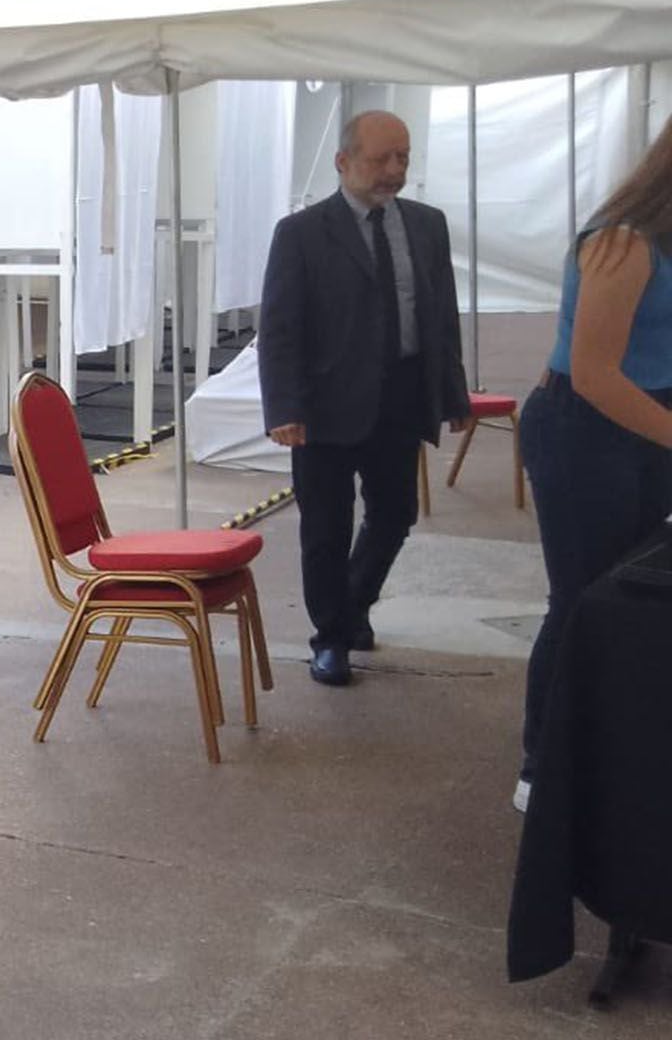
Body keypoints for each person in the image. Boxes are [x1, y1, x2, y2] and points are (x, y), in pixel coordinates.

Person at [258, 109, 471, 688]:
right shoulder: (300, 233)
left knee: (396, 513)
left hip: (401, 395)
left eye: (402, 157)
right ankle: (331, 639)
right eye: (381, 159)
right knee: (326, 527)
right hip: (325, 404)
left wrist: (452, 391)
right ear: (343, 161)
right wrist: (284, 409)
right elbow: (279, 329)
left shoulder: (427, 226)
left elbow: (440, 317)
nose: (394, 170)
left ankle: (352, 607)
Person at [514, 122, 672, 813]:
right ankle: (541, 764)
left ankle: (615, 749)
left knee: (638, 597)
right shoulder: (621, 240)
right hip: (584, 431)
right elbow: (593, 373)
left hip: (648, 426)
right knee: (581, 599)